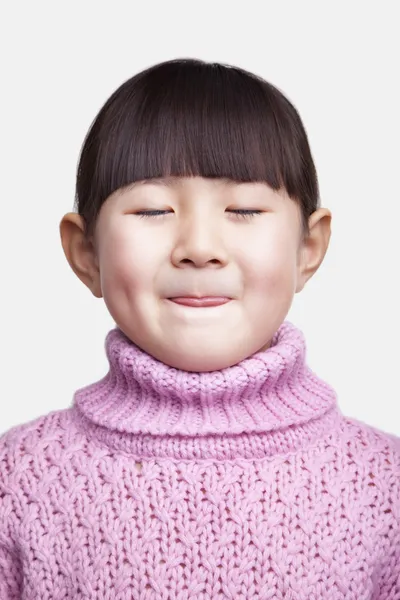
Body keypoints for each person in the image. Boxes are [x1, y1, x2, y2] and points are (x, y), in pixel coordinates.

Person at [1, 58, 399, 599]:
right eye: (151, 210)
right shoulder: (19, 479)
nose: (199, 249)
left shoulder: (384, 486)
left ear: (308, 248)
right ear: (85, 251)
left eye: (243, 208)